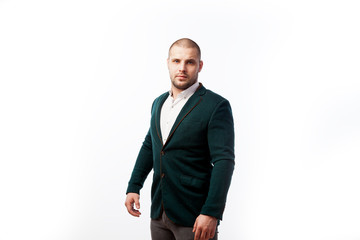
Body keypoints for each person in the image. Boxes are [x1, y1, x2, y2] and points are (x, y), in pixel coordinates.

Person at [125, 38, 235, 240]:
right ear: (167, 63)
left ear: (200, 65)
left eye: (190, 62)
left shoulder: (216, 105)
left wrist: (211, 212)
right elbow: (151, 145)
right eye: (176, 61)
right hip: (159, 212)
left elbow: (223, 162)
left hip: (195, 215)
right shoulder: (159, 102)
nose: (182, 68)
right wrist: (134, 186)